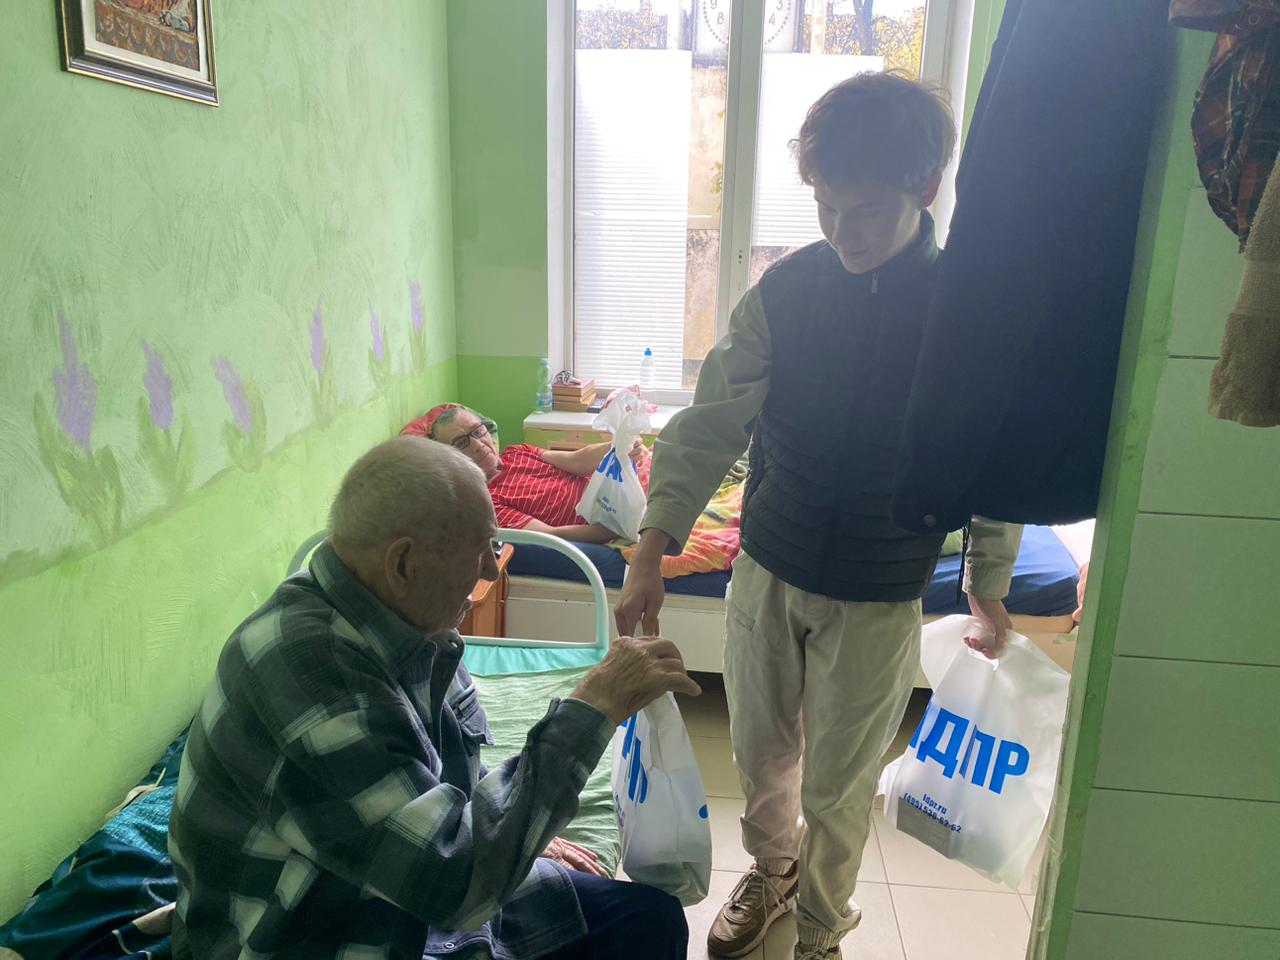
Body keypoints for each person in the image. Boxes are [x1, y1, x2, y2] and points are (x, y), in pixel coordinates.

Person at [615, 72, 1024, 960]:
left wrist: (988, 581)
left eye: (867, 212)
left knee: (839, 787)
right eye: (826, 209)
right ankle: (773, 872)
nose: (844, 234)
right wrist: (651, 549)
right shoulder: (786, 292)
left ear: (925, 188)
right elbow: (710, 422)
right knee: (761, 759)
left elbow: (991, 458)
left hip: (882, 588)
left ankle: (820, 931)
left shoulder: (963, 310)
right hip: (770, 566)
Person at [169, 436, 697, 959]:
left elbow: (450, 775)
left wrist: (520, 831)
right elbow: (455, 888)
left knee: (650, 920)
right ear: (403, 564)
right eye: (481, 549)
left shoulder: (406, 622)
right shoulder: (309, 671)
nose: (490, 569)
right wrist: (592, 708)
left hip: (397, 886)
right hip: (324, 928)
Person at [402, 402, 644, 543]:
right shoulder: (488, 502)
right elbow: (552, 536)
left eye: (477, 432)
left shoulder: (517, 452)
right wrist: (615, 528)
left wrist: (619, 446)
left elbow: (577, 460)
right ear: (449, 458)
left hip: (619, 493)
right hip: (611, 520)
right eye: (461, 443)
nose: (477, 444)